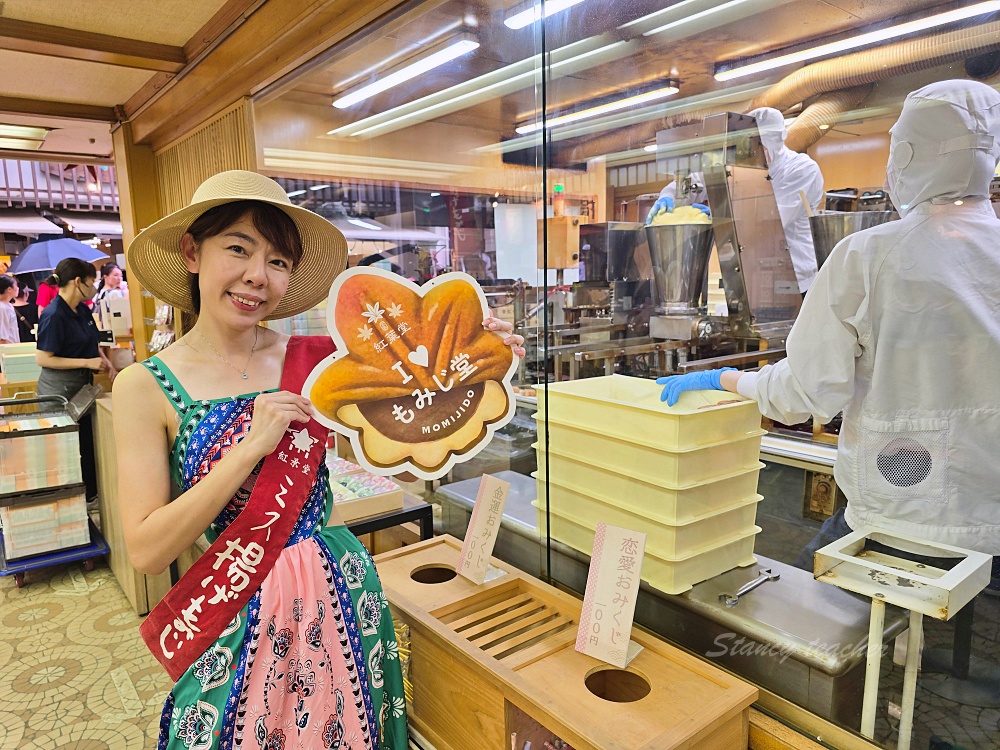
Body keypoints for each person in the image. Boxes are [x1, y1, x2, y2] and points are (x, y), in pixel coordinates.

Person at [114, 170, 526, 749]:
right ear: (192, 251)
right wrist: (250, 448)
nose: (258, 276)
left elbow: (410, 439)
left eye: (279, 261)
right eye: (238, 249)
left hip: (340, 590)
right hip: (236, 605)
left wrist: (475, 360)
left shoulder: (318, 362)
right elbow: (148, 548)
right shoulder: (144, 386)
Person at [657, 80, 1000, 571]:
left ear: (906, 154)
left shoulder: (870, 255)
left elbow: (805, 397)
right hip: (992, 524)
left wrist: (724, 379)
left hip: (900, 520)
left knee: (805, 610)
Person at [35, 258, 116, 503]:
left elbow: (92, 342)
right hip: (58, 391)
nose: (94, 287)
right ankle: (68, 501)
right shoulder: (53, 315)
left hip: (82, 388)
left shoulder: (81, 309)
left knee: (87, 442)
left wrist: (105, 361)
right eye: (92, 282)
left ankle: (91, 495)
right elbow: (43, 358)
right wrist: (86, 363)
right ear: (78, 282)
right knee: (65, 449)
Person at [745, 107, 825, 296]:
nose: (756, 152)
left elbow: (773, 220)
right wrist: (671, 195)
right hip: (758, 278)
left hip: (798, 279)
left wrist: (723, 213)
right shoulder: (750, 170)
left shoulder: (802, 168)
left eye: (762, 144)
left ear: (779, 139)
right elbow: (696, 181)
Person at [12, 274, 37, 342]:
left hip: (16, 343)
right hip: (33, 342)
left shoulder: (9, 309)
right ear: (27, 294)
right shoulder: (35, 308)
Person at [0, 274, 19, 344]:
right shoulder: (2, 308)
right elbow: (2, 337)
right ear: (9, 289)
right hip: (7, 350)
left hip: (14, 348)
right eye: (16, 286)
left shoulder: (9, 306)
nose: (17, 288)